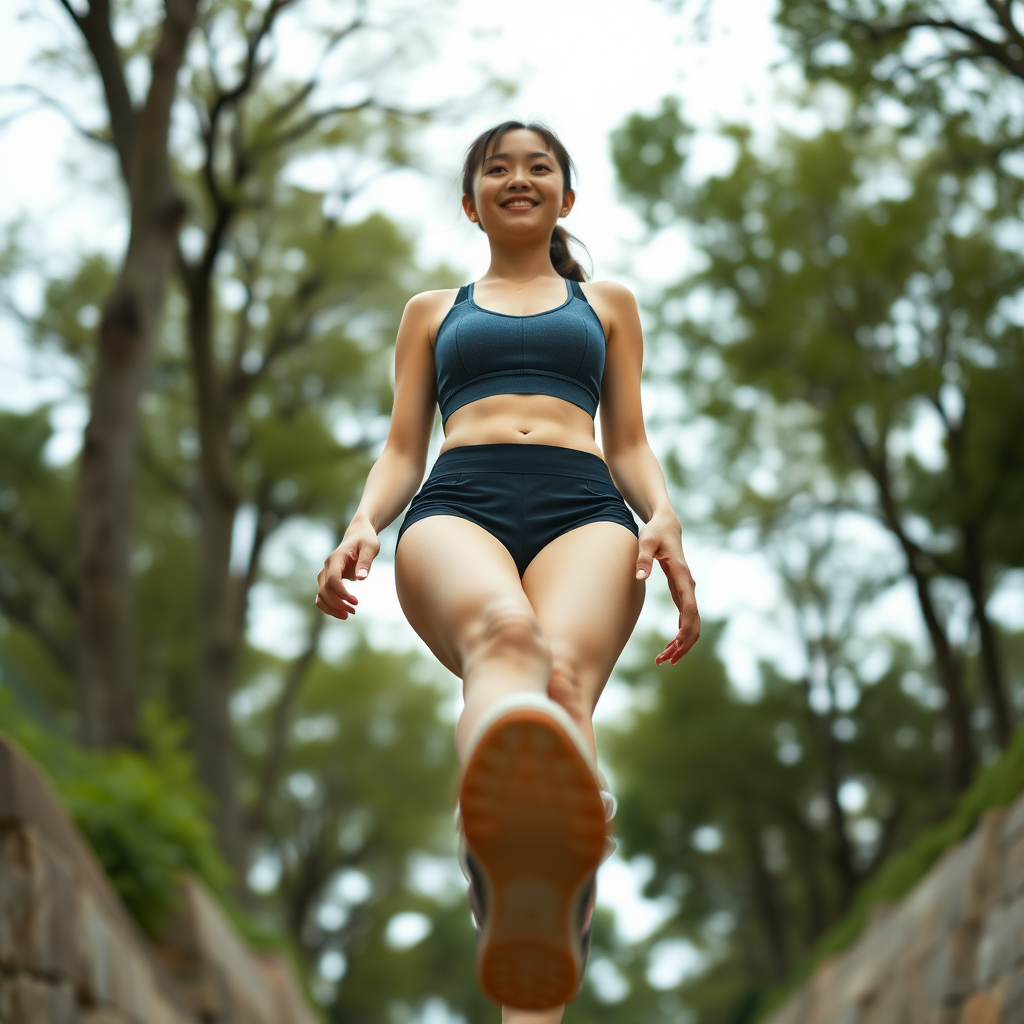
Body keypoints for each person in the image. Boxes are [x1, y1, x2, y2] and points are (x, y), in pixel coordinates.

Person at [315, 120, 700, 1021]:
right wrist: (364, 521)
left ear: (567, 197)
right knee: (505, 636)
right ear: (470, 202)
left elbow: (631, 442)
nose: (517, 178)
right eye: (497, 168)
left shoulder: (607, 304)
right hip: (460, 501)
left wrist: (666, 515)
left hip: (586, 506)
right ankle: (497, 829)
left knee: (563, 681)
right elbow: (402, 448)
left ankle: (535, 938)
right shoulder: (430, 311)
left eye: (538, 167)